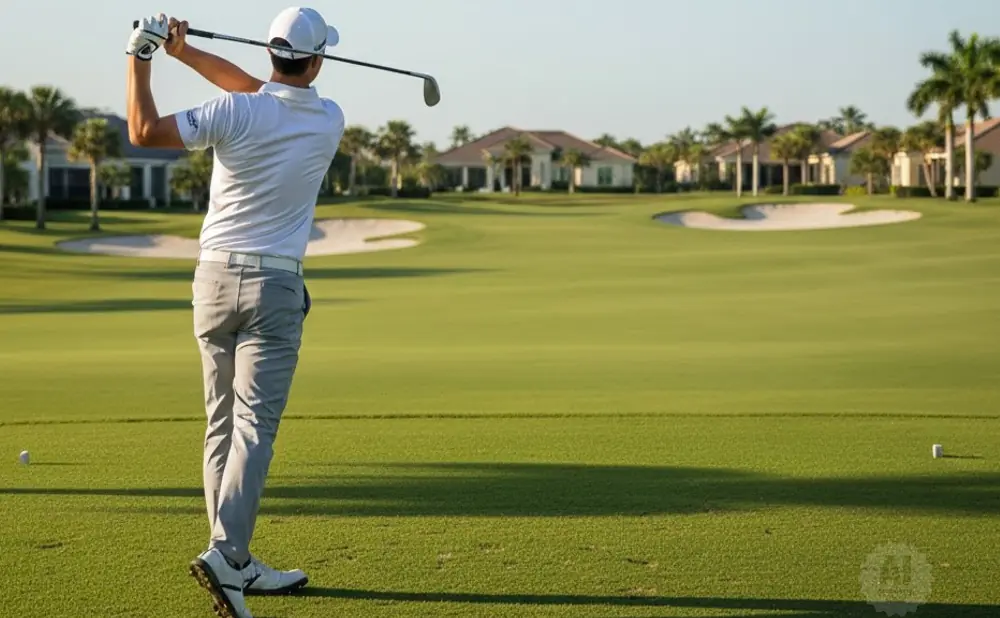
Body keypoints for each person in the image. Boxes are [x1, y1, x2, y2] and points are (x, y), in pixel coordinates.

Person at [125, 8, 345, 618]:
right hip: (275, 289)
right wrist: (184, 54)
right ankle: (227, 557)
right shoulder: (329, 119)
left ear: (271, 54)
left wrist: (145, 57)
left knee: (221, 421)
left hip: (212, 282)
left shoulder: (235, 111)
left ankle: (236, 561)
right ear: (319, 60)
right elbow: (258, 90)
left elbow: (143, 131)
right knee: (254, 426)